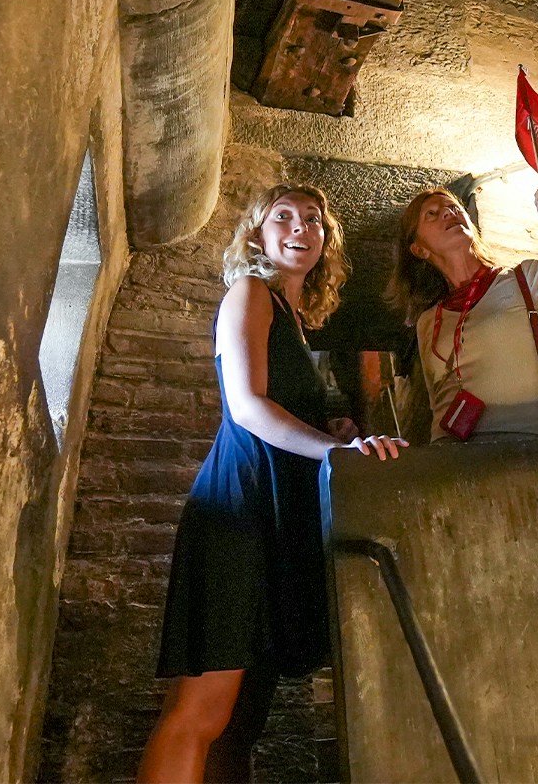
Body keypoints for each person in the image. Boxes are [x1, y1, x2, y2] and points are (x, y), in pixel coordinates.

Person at [138, 184, 405, 784]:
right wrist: (340, 450)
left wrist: (328, 427)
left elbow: (284, 410)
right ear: (257, 236)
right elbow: (248, 409)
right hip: (238, 510)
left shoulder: (292, 320)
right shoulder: (250, 292)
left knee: (239, 723)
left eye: (313, 219)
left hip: (270, 516)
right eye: (282, 217)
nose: (300, 227)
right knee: (199, 713)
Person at [389, 183, 538, 442]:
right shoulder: (428, 321)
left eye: (454, 207)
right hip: (450, 457)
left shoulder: (528, 278)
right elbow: (437, 403)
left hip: (523, 451)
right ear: (420, 249)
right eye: (432, 214)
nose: (448, 213)